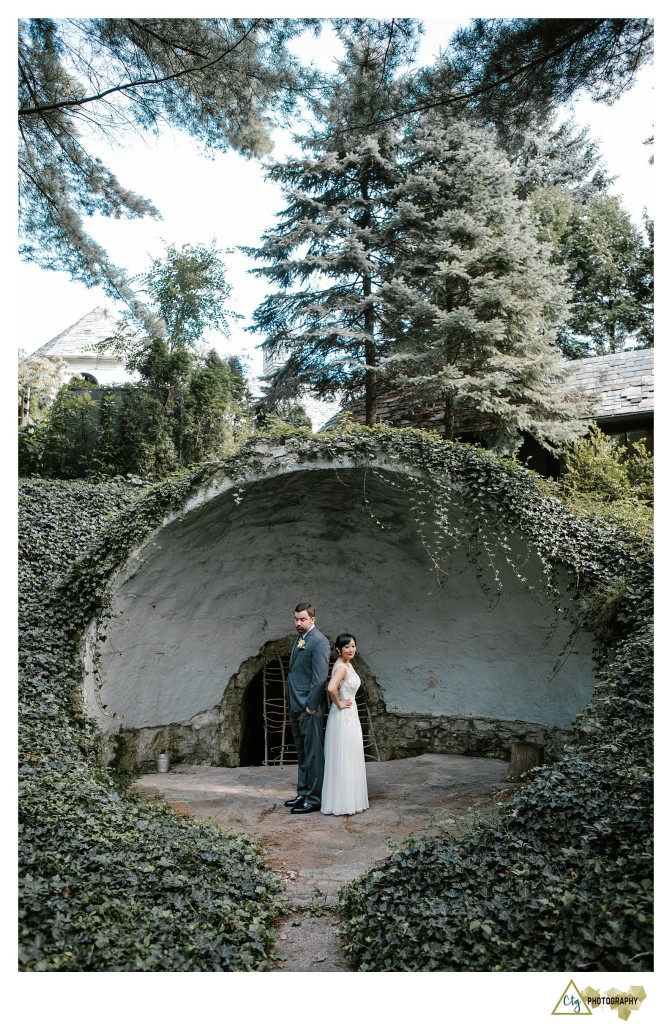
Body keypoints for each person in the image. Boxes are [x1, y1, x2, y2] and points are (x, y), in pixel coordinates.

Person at [284, 603, 331, 814]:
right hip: (296, 704)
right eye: (296, 619)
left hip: (308, 707)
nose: (298, 623)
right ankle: (303, 792)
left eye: (302, 619)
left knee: (313, 754)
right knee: (302, 752)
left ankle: (314, 798)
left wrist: (311, 706)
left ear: (313, 619)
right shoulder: (300, 639)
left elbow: (320, 678)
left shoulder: (319, 641)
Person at [321, 633, 369, 816]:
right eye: (347, 647)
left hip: (349, 714)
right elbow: (331, 688)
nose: (351, 650)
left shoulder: (347, 664)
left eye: (353, 646)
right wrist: (338, 703)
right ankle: (343, 802)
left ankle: (348, 799)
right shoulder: (341, 667)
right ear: (338, 649)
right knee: (345, 756)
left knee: (349, 756)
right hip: (343, 715)